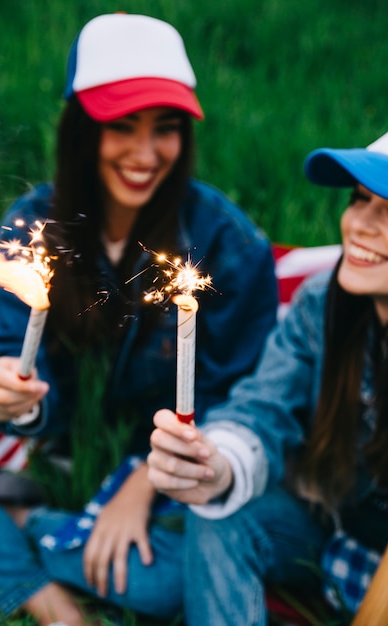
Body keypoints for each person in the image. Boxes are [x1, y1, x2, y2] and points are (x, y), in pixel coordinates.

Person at [0, 12, 277, 626]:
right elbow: (12, 361)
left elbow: (238, 399)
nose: (145, 154)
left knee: (163, 586)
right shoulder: (32, 228)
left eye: (165, 129)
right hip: (58, 455)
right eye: (122, 126)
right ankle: (50, 599)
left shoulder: (231, 247)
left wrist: (143, 480)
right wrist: (17, 399)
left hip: (172, 479)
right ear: (82, 129)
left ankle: (24, 527)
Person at [148, 131, 388, 625]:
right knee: (218, 515)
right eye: (359, 200)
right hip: (338, 530)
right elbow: (262, 406)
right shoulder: (324, 304)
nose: (361, 225)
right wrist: (217, 465)